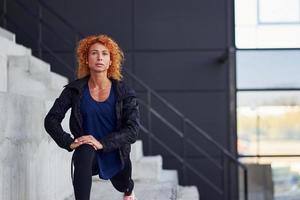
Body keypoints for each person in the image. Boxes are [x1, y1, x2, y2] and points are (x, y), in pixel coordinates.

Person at [44, 34, 140, 200]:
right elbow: (51, 119)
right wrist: (68, 142)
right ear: (87, 60)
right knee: (83, 151)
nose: (99, 57)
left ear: (111, 61)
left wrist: (102, 143)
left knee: (124, 183)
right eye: (94, 53)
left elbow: (133, 130)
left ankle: (129, 190)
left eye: (104, 53)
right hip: (88, 153)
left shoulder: (124, 92)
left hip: (116, 152)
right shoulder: (74, 90)